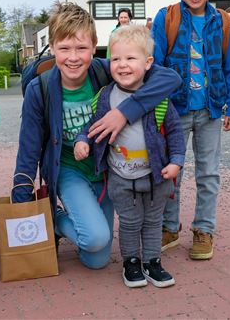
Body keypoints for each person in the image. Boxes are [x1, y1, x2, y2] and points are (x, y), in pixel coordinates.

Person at [12, 2, 180, 270]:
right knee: (96, 238)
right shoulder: (39, 89)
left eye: (81, 48)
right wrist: (21, 202)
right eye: (64, 48)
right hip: (69, 170)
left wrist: (124, 112)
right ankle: (53, 218)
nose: (73, 57)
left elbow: (170, 78)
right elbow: (29, 148)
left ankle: (69, 223)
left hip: (106, 171)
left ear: (94, 47)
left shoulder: (107, 70)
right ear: (52, 48)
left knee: (97, 259)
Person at [74, 25, 185, 288]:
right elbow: (90, 126)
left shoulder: (158, 98)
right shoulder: (104, 97)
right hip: (121, 178)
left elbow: (175, 132)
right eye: (116, 59)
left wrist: (177, 161)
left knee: (153, 221)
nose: (122, 65)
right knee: (130, 222)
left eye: (130, 58)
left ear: (148, 63)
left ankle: (153, 261)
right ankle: (132, 262)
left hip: (156, 176)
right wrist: (82, 141)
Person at [151, 0, 230, 260]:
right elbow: (155, 67)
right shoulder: (167, 18)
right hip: (174, 113)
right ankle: (168, 226)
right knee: (170, 173)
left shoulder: (223, 22)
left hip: (210, 111)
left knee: (209, 173)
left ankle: (204, 229)